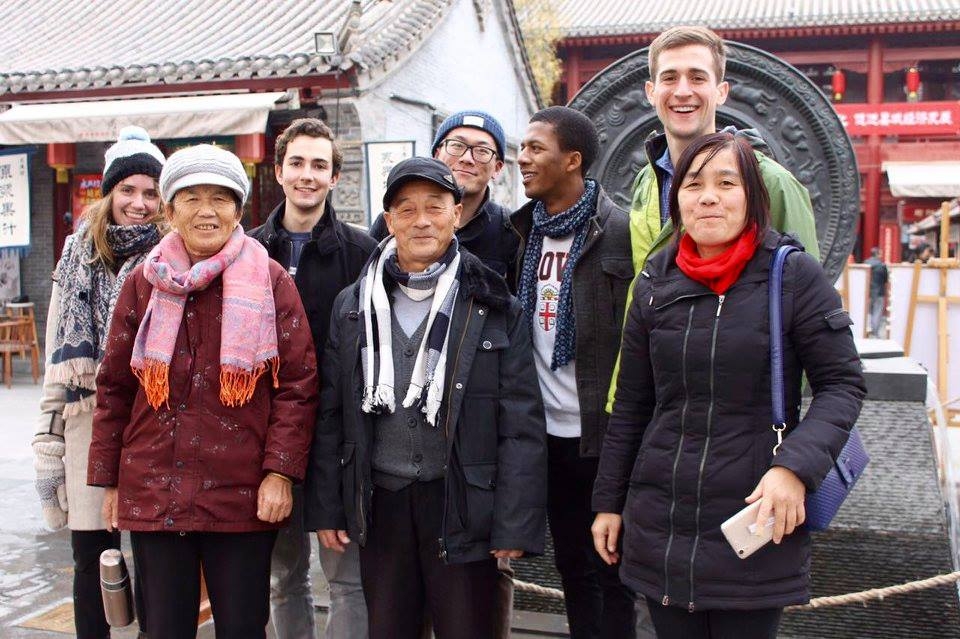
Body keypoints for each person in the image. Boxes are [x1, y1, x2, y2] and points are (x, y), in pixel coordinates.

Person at [591, 132, 866, 639]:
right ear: (677, 199)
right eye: (694, 185)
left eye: (726, 183)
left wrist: (794, 468)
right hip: (661, 524)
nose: (709, 197)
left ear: (752, 196)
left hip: (755, 516)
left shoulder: (791, 274)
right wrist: (608, 501)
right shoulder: (655, 280)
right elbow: (632, 403)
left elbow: (842, 384)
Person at [309, 157, 547, 639]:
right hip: (382, 501)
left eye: (435, 207)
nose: (422, 221)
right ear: (389, 219)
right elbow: (332, 413)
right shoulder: (354, 305)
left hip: (461, 499)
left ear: (456, 214)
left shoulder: (492, 302)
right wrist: (329, 507)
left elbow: (521, 420)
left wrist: (514, 522)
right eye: (407, 209)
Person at [87, 144, 319, 639]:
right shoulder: (144, 281)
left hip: (240, 493)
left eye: (220, 198)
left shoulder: (270, 280)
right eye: (191, 198)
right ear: (170, 211)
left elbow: (298, 385)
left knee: (242, 627)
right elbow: (115, 387)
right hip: (155, 488)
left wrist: (280, 472)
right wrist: (111, 482)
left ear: (238, 210)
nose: (206, 211)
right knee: (163, 628)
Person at [607, 24, 821, 412]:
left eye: (697, 77)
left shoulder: (770, 182)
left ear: (721, 91)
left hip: (731, 409)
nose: (682, 91)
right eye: (669, 77)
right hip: (645, 397)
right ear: (651, 92)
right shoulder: (645, 180)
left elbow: (809, 310)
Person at [33, 125, 164, 639]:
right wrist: (48, 445)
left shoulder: (171, 258)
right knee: (92, 562)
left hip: (152, 423)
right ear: (109, 193)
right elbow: (57, 363)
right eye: (127, 190)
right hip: (87, 426)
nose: (139, 203)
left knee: (156, 566)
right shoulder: (75, 258)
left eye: (150, 192)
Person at [512, 106, 636, 638]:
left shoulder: (619, 232)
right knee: (572, 567)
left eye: (536, 148)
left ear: (572, 160)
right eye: (523, 147)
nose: (522, 158)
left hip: (602, 436)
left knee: (613, 570)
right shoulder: (523, 232)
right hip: (544, 436)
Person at [252, 118, 375, 639]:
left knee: (347, 580)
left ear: (335, 177)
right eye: (297, 163)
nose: (307, 175)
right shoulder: (249, 251)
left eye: (319, 165)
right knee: (283, 577)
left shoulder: (364, 253)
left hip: (339, 436)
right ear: (279, 171)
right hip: (268, 435)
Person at [370, 110, 520, 290]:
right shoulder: (395, 221)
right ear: (436, 154)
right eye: (457, 145)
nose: (466, 158)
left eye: (482, 151)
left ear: (497, 168)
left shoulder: (509, 229)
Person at [864, 247, 888, 337]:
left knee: (867, 311)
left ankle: (866, 330)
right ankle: (875, 332)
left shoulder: (865, 263)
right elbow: (885, 279)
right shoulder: (882, 265)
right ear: (877, 254)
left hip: (867, 291)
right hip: (879, 292)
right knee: (877, 312)